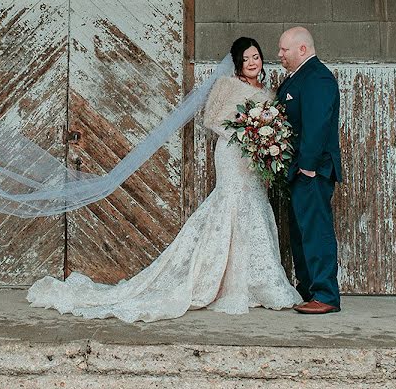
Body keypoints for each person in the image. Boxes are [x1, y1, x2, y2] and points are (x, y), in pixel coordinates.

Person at [26, 37, 302, 322]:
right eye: (247, 59)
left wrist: (262, 142)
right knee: (231, 202)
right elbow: (211, 119)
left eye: (256, 56)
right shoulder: (227, 86)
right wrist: (245, 133)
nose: (253, 62)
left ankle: (256, 283)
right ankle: (218, 282)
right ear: (238, 64)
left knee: (254, 206)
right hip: (232, 154)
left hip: (253, 159)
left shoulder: (269, 94)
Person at [276, 27, 343, 314]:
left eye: (284, 50)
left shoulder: (317, 77)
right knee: (302, 233)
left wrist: (308, 167)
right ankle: (309, 290)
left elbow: (317, 125)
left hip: (311, 172)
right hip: (297, 172)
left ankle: (326, 294)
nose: (279, 55)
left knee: (316, 231)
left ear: (302, 49)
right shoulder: (298, 77)